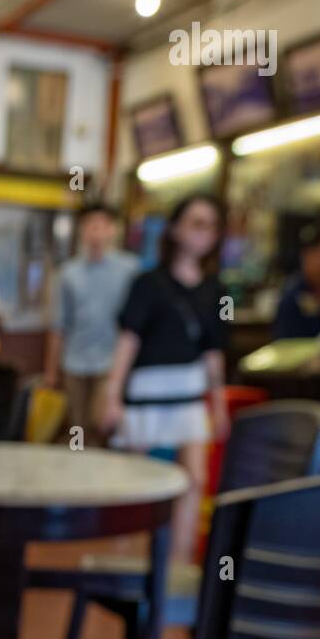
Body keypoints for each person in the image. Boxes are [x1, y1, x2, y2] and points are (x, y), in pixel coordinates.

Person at [93, 195, 230, 563]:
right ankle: (127, 558)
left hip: (189, 392)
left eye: (211, 226)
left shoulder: (216, 289)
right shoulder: (148, 283)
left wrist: (218, 404)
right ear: (175, 228)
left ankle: (177, 565)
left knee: (194, 480)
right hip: (147, 391)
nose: (204, 234)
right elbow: (128, 340)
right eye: (196, 223)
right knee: (139, 481)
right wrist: (112, 394)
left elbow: (213, 351)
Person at [44, 203, 139, 440]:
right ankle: (79, 470)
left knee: (103, 422)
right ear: (81, 230)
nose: (96, 231)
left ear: (113, 230)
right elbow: (58, 325)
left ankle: (101, 472)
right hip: (74, 361)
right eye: (89, 225)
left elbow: (137, 324)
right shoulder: (68, 273)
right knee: (77, 425)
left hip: (111, 362)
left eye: (102, 225)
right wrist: (51, 371)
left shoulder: (131, 270)